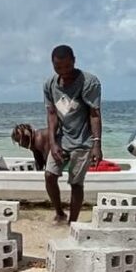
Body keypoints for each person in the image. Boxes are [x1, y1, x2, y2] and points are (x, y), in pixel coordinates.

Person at [43, 44, 102, 224]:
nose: (64, 71)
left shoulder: (89, 82)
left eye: (67, 67)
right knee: (49, 176)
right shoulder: (50, 84)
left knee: (76, 184)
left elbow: (94, 114)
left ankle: (73, 223)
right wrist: (52, 144)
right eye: (58, 67)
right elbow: (52, 114)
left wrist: (97, 144)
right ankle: (60, 213)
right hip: (62, 139)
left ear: (74, 61)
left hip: (83, 141)